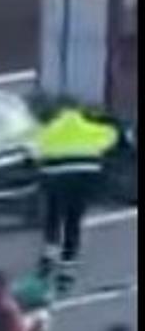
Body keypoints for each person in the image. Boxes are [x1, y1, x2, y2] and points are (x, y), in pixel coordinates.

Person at [32, 103, 118, 291]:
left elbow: (35, 147)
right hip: (83, 178)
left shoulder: (50, 129)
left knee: (53, 216)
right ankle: (66, 272)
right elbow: (111, 137)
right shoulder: (90, 128)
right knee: (73, 222)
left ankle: (49, 255)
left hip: (56, 178)